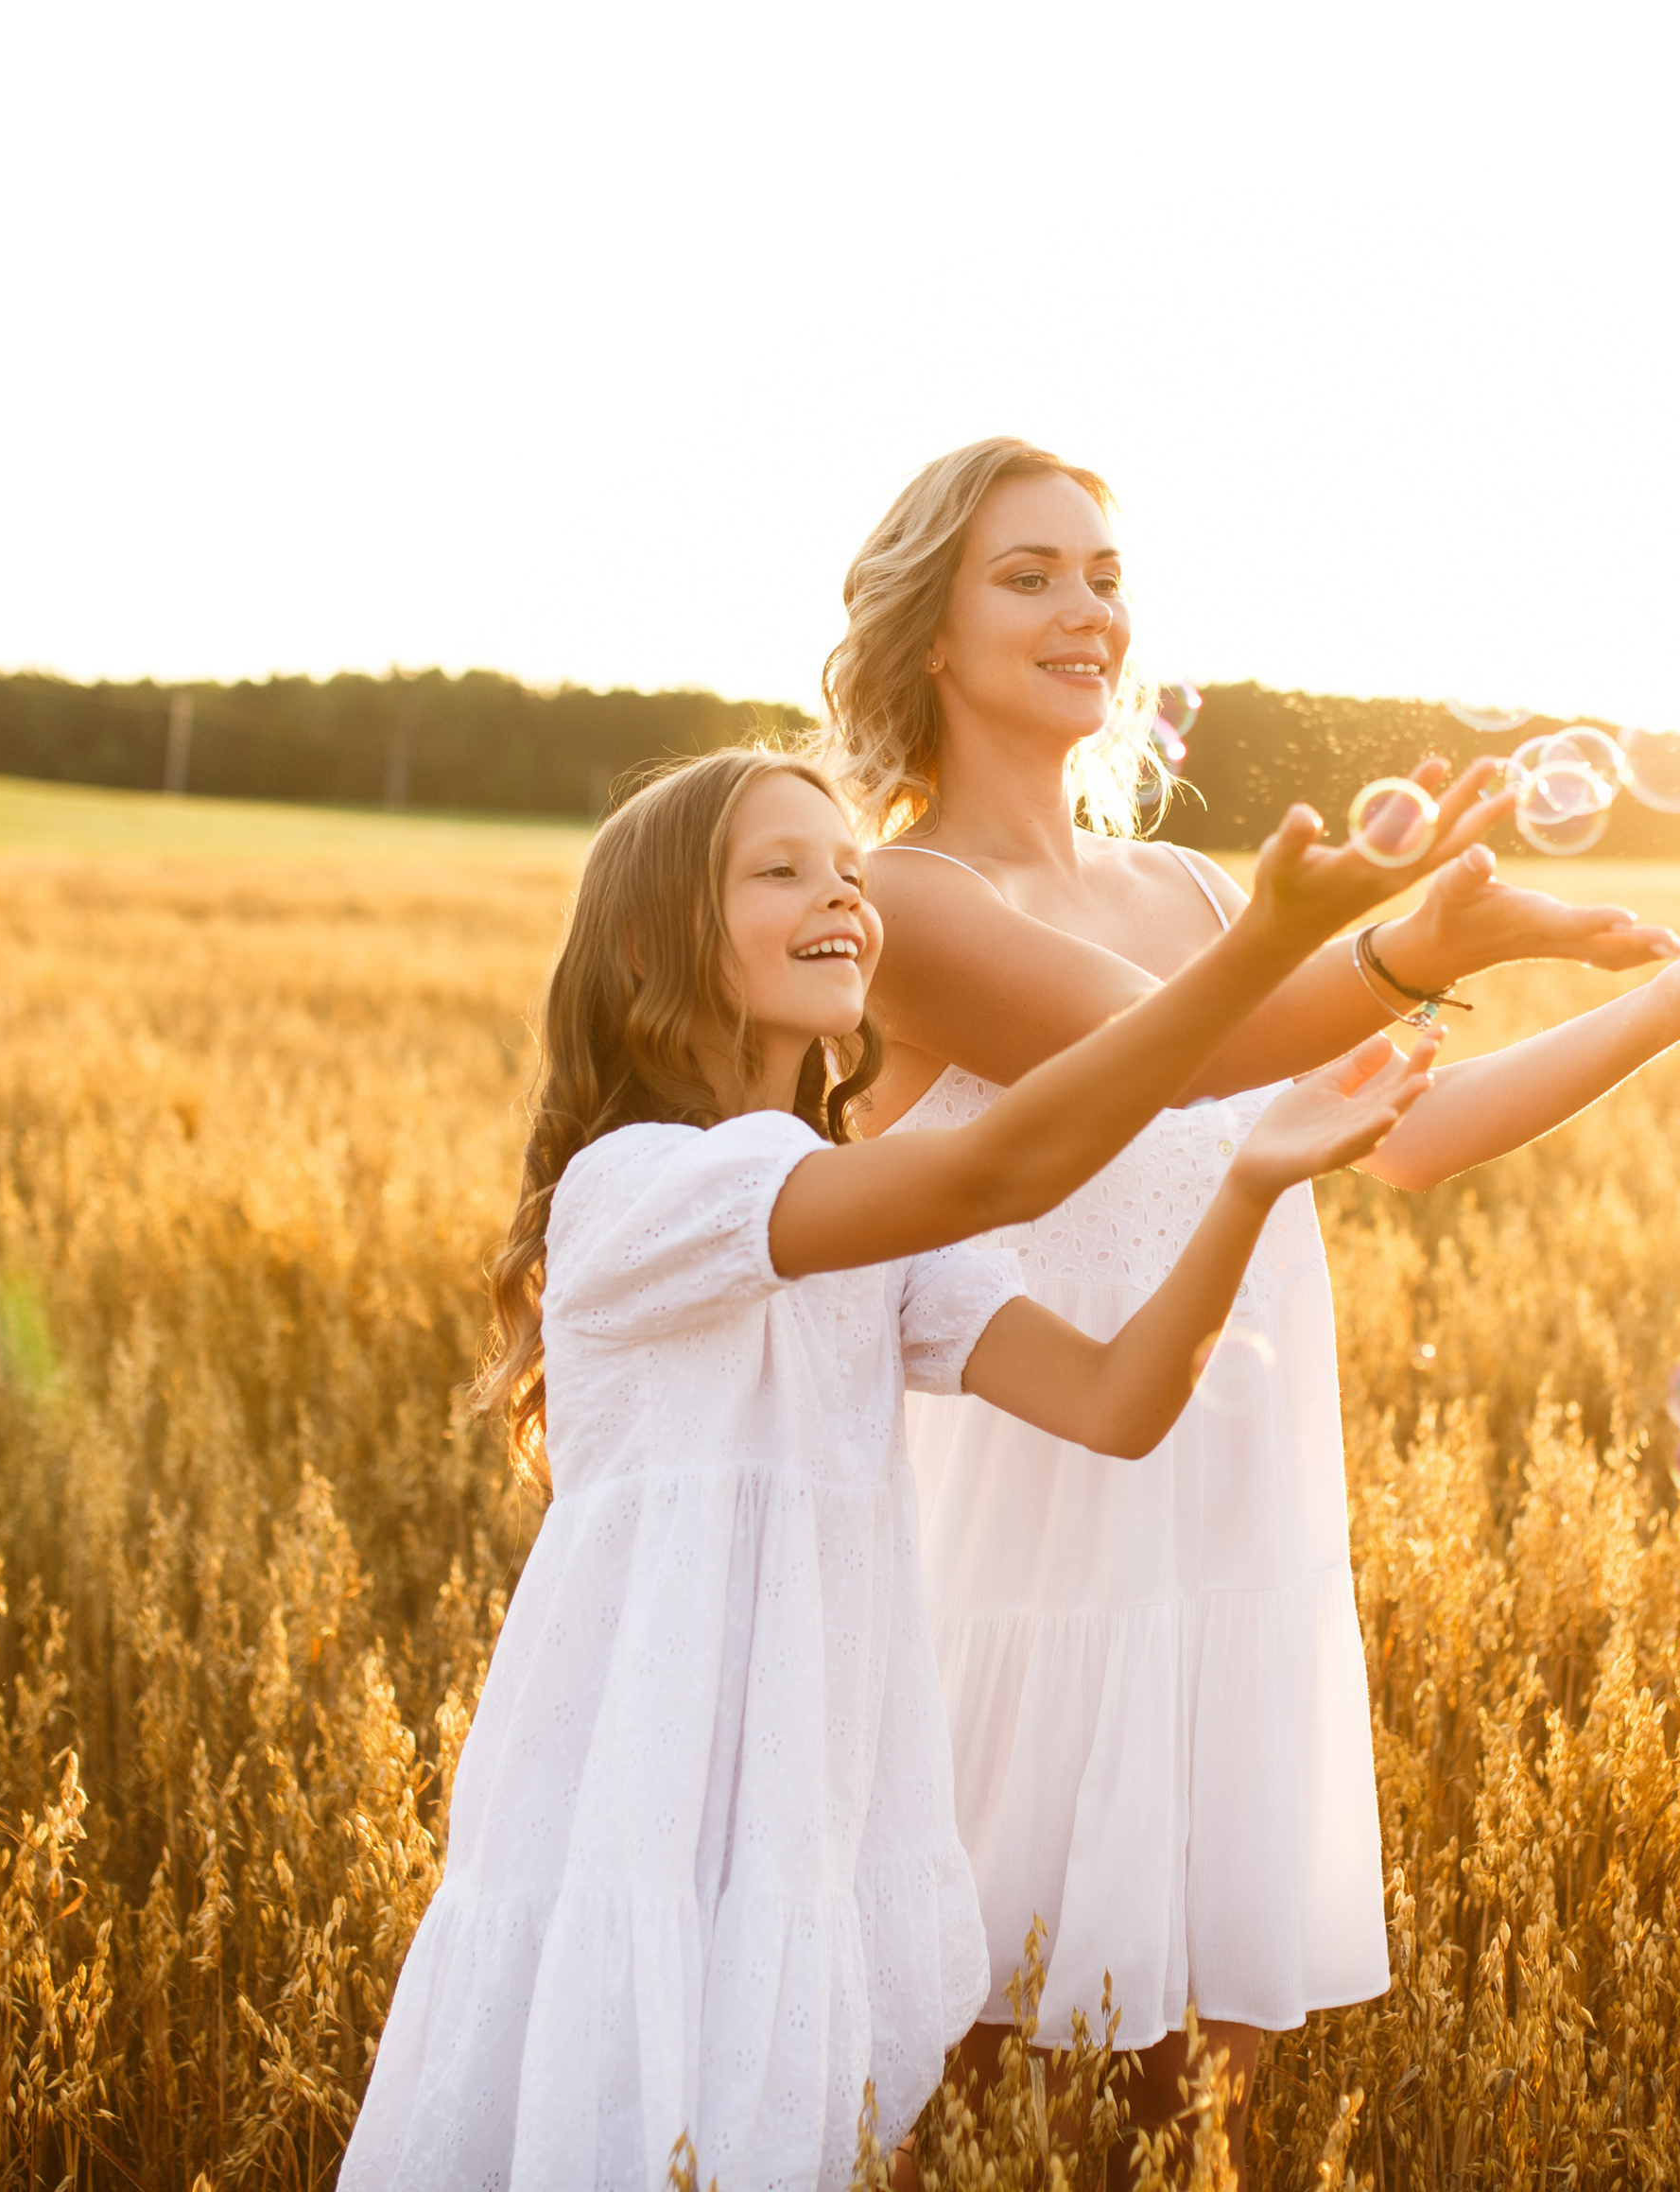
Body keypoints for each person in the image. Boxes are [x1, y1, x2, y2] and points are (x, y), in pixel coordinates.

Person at [820, 438, 1680, 2147]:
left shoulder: (1182, 891)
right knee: (981, 2104)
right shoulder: (905, 905)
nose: (1085, 609)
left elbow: (1408, 1132)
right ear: (926, 631)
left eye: (1104, 575)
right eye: (1028, 575)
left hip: (1231, 1542)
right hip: (1029, 1562)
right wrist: (1414, 950)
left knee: (1198, 2128)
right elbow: (1186, 1059)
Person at [338, 746, 1452, 2192]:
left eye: (851, 873)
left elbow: (1117, 1403)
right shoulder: (640, 1192)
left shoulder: (867, 1237)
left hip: (814, 1798)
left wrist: (1248, 1182)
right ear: (644, 943)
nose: (843, 900)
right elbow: (998, 1170)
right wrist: (1267, 953)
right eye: (781, 870)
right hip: (638, 1798)